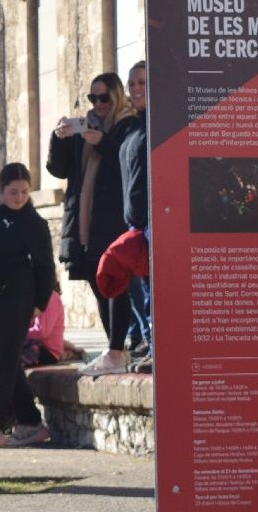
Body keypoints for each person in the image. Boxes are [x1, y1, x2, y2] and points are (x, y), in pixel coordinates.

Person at [49, 71, 142, 377]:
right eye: (93, 98)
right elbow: (59, 170)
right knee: (98, 282)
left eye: (104, 98)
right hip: (86, 223)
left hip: (112, 219)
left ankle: (118, 349)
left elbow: (126, 166)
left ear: (116, 96)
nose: (99, 104)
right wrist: (59, 139)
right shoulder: (85, 126)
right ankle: (115, 349)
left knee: (116, 286)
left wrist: (103, 143)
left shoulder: (128, 125)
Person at [0, 163, 55, 448]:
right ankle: (30, 422)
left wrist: (40, 303)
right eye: (13, 192)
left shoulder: (33, 223)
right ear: (0, 189)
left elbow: (45, 267)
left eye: (25, 192)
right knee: (5, 361)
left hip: (14, 298)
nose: (19, 198)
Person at [119, 60, 151, 358]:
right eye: (132, 84)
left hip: (152, 222)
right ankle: (146, 341)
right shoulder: (133, 126)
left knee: (151, 288)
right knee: (136, 289)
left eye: (142, 81)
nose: (136, 88)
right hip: (134, 224)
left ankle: (155, 345)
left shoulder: (159, 124)